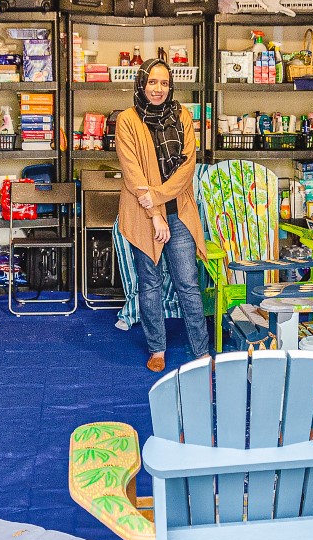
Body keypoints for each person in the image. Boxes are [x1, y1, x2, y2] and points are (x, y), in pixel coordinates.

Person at [115, 59, 209, 372]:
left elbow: (187, 167)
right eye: (152, 82)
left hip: (178, 212)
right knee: (150, 284)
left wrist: (158, 197)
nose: (158, 89)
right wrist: (155, 213)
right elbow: (133, 172)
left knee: (188, 283)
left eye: (164, 83)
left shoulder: (181, 115)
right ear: (141, 84)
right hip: (144, 215)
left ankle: (200, 350)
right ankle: (157, 349)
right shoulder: (127, 120)